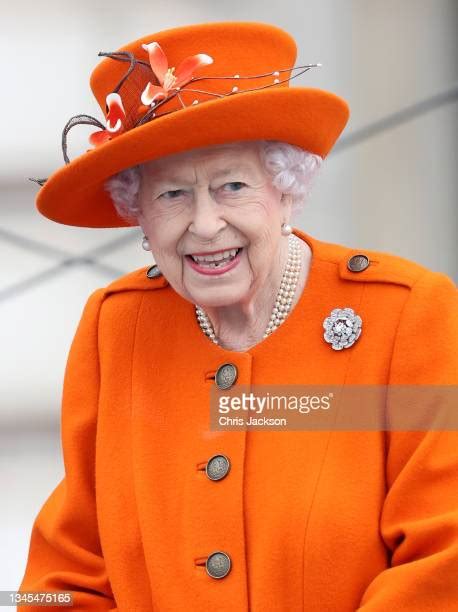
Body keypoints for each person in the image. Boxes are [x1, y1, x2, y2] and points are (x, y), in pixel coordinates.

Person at [18, 21, 458, 611]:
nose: (204, 225)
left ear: (286, 189)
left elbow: (444, 559)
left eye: (231, 186)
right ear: (139, 215)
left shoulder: (405, 317)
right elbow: (66, 579)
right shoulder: (116, 328)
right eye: (172, 194)